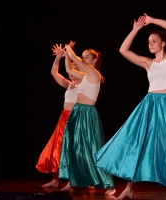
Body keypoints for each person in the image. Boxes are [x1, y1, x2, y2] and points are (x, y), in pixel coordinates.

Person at [94, 13, 166, 200]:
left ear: (163, 44)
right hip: (149, 104)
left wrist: (151, 21)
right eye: (148, 41)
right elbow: (123, 50)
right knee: (140, 144)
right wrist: (136, 29)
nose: (150, 44)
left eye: (153, 41)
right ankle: (129, 187)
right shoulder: (148, 63)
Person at [58, 44, 116, 196]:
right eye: (83, 57)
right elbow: (70, 70)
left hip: (87, 113)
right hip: (77, 111)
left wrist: (68, 49)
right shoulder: (84, 75)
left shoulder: (94, 74)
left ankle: (109, 184)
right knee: (73, 146)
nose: (83, 59)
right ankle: (73, 181)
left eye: (87, 57)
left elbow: (74, 59)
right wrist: (66, 56)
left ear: (95, 60)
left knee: (92, 148)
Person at [36, 43, 80, 188]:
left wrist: (69, 53)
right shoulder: (69, 84)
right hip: (64, 117)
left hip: (74, 118)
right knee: (58, 148)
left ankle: (70, 182)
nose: (70, 70)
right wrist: (60, 57)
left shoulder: (84, 85)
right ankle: (55, 180)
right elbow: (54, 72)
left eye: (74, 67)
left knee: (70, 149)